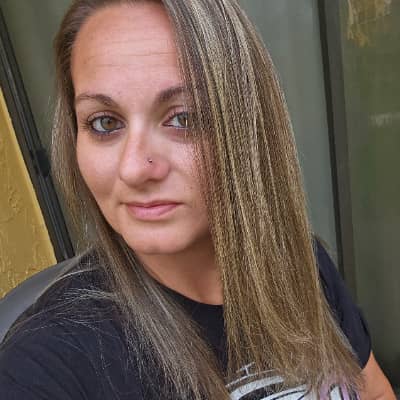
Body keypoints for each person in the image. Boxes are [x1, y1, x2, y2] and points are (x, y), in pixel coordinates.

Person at [0, 0, 396, 399]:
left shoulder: (296, 263)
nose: (134, 168)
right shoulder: (45, 365)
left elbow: (375, 392)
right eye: (105, 123)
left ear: (248, 128)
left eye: (183, 118)